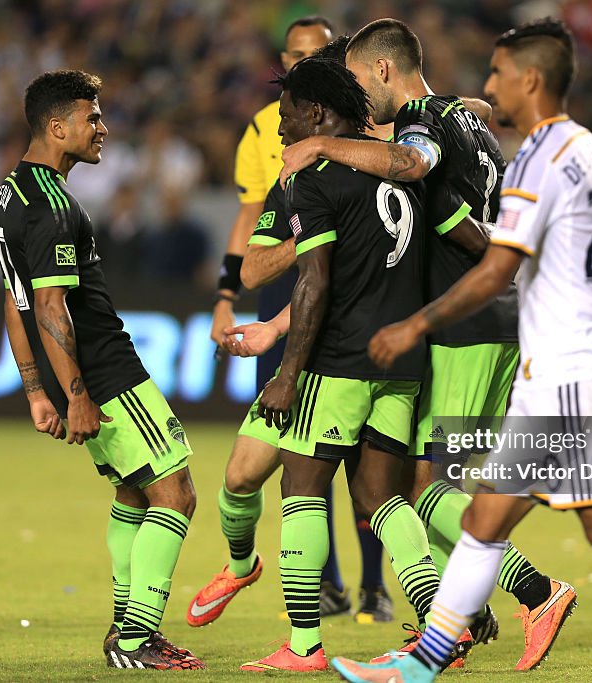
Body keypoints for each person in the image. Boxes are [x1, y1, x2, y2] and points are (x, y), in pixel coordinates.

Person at [333, 19, 592, 683]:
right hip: (568, 360)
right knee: (571, 526)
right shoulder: (586, 151)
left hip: (560, 367)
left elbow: (496, 264)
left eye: (498, 75)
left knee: (456, 497)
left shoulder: (538, 158)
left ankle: (431, 656)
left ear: (530, 79)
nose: (487, 88)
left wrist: (414, 326)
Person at [278, 17, 572, 667]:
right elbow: (479, 110)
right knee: (420, 483)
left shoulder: (427, 124)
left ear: (384, 70)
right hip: (496, 319)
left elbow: (410, 159)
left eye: (358, 79)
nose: (355, 99)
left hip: (463, 324)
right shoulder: (463, 116)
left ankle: (536, 591)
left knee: (429, 488)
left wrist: (323, 148)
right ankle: (452, 623)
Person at [0, 70, 204, 670]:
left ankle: (125, 629)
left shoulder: (9, 195)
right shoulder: (54, 208)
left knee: (133, 492)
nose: (103, 129)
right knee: (176, 493)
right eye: (93, 118)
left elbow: (15, 301)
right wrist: (78, 394)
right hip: (105, 369)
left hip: (72, 373)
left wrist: (38, 390)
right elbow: (51, 307)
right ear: (57, 127)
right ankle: (136, 640)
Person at [232, 56, 438, 673]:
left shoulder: (314, 177)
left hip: (341, 359)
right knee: (383, 497)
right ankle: (437, 628)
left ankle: (304, 648)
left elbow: (314, 281)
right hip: (402, 361)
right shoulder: (403, 170)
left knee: (301, 489)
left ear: (317, 113)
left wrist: (289, 373)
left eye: (289, 114)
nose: (283, 127)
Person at [199, 17, 391, 627]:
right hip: (312, 322)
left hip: (340, 346)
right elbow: (269, 258)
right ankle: (248, 565)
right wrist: (250, 300)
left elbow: (326, 275)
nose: (281, 121)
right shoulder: (286, 157)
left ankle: (364, 618)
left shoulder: (378, 147)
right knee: (245, 475)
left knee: (351, 487)